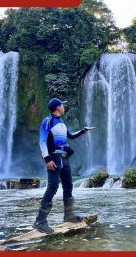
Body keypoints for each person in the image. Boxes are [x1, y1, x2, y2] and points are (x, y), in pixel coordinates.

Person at [32, 98, 94, 234]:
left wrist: (84, 130)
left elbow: (70, 136)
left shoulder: (61, 123)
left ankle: (69, 216)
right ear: (57, 108)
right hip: (54, 158)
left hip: (65, 159)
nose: (64, 107)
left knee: (68, 186)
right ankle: (40, 221)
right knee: (52, 187)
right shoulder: (48, 121)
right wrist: (47, 159)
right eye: (62, 105)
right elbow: (42, 141)